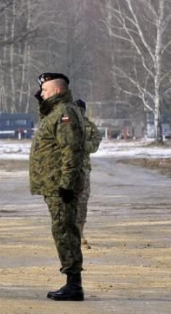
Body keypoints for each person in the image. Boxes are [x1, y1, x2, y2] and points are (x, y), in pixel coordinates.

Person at [29, 72, 87, 301]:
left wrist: (66, 184)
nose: (40, 94)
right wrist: (42, 103)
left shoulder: (65, 114)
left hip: (61, 187)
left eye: (44, 90)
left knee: (65, 232)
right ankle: (72, 282)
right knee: (62, 231)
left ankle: (74, 284)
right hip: (53, 185)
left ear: (56, 91)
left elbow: (70, 151)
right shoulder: (55, 112)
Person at [75, 99, 102, 246]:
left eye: (81, 109)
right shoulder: (65, 125)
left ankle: (79, 232)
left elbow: (95, 144)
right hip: (66, 168)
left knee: (82, 202)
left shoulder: (90, 127)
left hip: (83, 169)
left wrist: (83, 145)